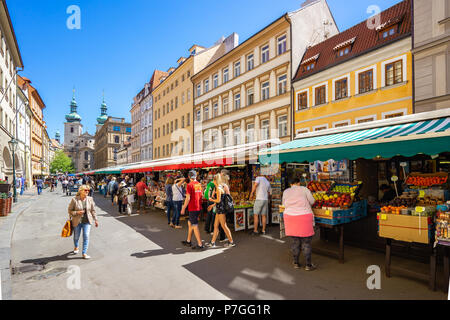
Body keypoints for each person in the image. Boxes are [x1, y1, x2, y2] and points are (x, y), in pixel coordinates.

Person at [281, 177, 316, 271]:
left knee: (295, 241)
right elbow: (312, 201)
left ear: (290, 184)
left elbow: (284, 205)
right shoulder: (304, 189)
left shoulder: (286, 191)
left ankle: (296, 263)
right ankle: (308, 265)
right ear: (298, 183)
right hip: (304, 216)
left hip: (290, 217)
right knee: (306, 242)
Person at [68, 185, 99, 259]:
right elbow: (69, 210)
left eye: (88, 190)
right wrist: (77, 212)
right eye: (85, 190)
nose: (87, 191)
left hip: (87, 221)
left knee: (86, 236)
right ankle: (76, 246)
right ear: (81, 191)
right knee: (76, 236)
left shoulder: (90, 199)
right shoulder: (74, 199)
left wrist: (96, 219)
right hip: (77, 221)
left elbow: (93, 210)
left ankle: (84, 253)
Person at [206, 174, 236, 248]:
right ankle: (212, 242)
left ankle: (231, 242)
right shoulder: (218, 187)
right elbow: (219, 201)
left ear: (216, 180)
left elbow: (218, 200)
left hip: (221, 210)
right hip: (219, 209)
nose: (213, 181)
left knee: (223, 226)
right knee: (216, 226)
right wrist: (212, 205)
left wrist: (211, 200)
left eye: (213, 180)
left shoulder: (219, 188)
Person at [181, 170, 205, 250]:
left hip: (193, 207)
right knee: (190, 223)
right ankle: (188, 241)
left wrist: (183, 208)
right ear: (196, 176)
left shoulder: (189, 185)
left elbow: (188, 198)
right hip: (198, 207)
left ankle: (200, 244)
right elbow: (201, 195)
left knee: (194, 225)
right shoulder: (199, 184)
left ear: (189, 176)